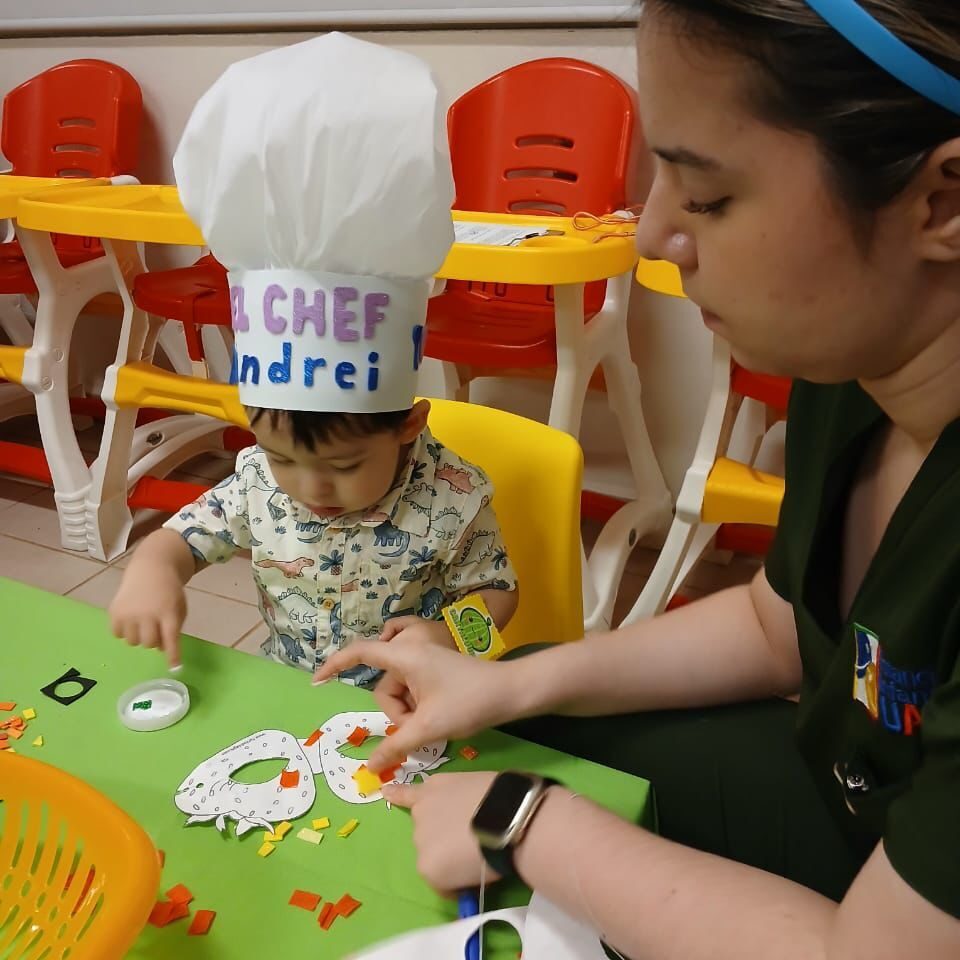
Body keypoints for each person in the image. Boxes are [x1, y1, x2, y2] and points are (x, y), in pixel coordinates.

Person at [317, 2, 960, 956]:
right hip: (857, 802)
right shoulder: (858, 374)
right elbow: (773, 622)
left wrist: (529, 825)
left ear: (941, 204)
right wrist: (511, 685)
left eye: (705, 197)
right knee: (518, 700)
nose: (652, 232)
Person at [108, 33, 517, 679]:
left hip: (415, 692)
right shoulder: (260, 483)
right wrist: (152, 571)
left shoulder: (452, 495)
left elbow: (497, 594)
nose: (309, 487)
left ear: (408, 424)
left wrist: (450, 639)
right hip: (291, 683)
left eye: (344, 463)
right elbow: (176, 542)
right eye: (283, 457)